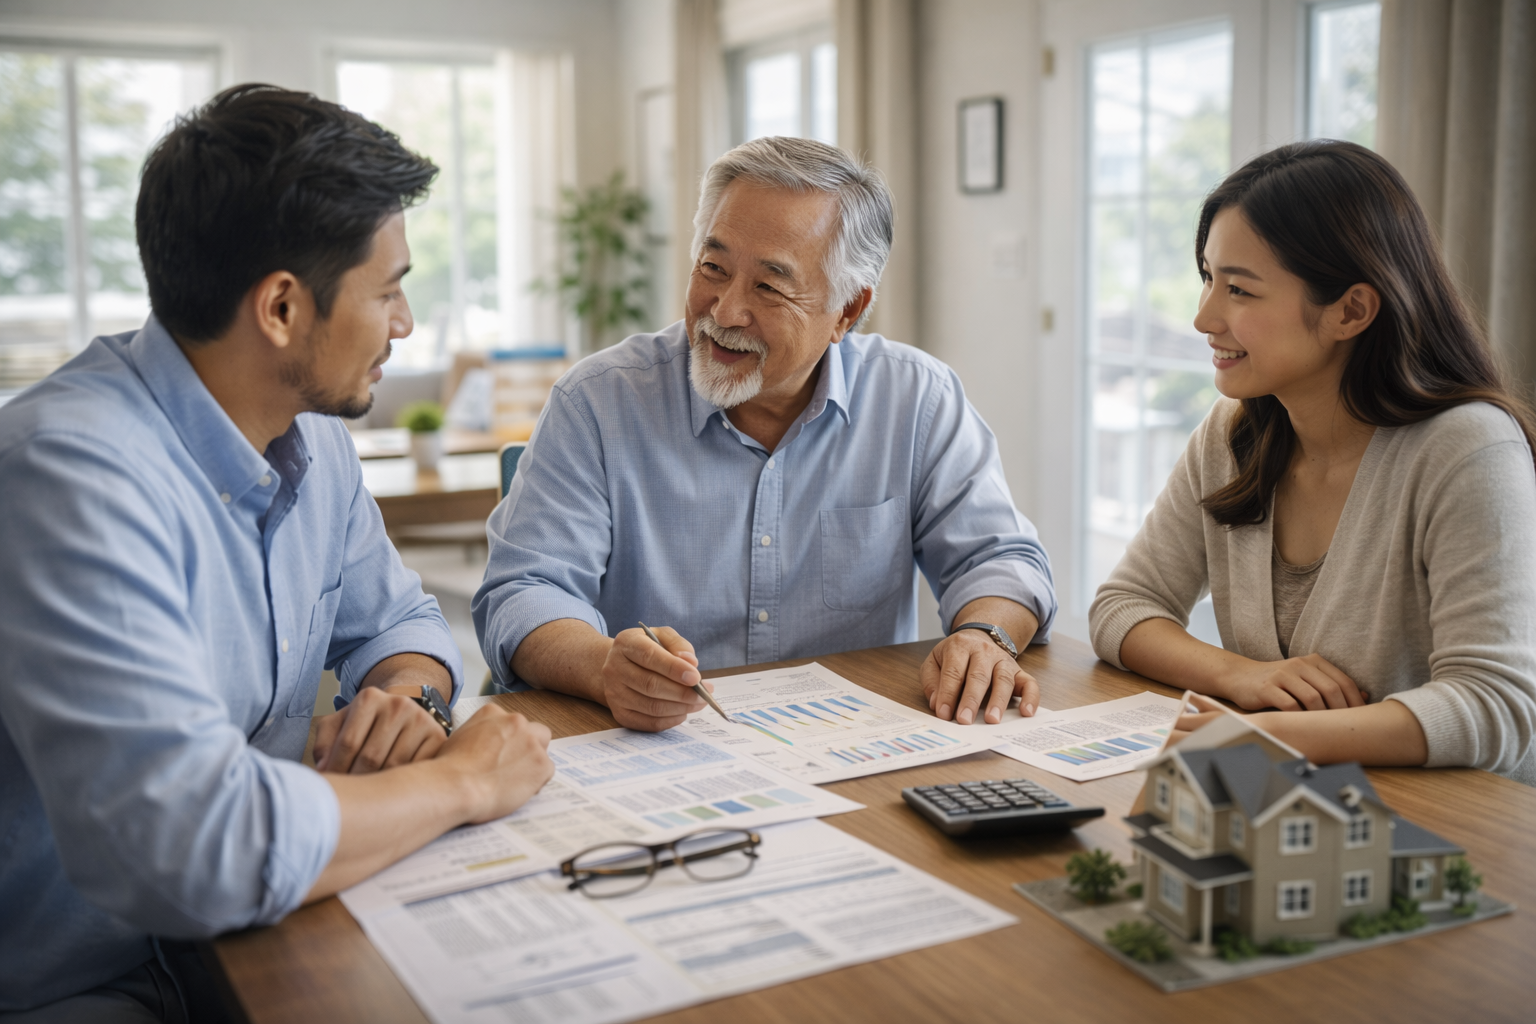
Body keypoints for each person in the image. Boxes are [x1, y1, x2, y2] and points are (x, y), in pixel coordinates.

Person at [0, 85, 554, 1021]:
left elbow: (404, 623)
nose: (406, 323)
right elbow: (194, 848)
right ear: (283, 309)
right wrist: (460, 780)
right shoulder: (70, 480)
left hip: (269, 936)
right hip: (89, 987)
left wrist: (404, 701)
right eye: (388, 290)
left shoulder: (311, 436)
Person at [474, 136, 1056, 732]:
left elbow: (1000, 557)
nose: (724, 312)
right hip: (659, 751)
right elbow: (523, 592)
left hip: (851, 745)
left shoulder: (917, 399)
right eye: (713, 268)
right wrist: (603, 667)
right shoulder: (598, 402)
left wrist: (986, 636)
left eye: (769, 287)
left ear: (848, 311)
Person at [1089, 139, 1536, 783]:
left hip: (1449, 839)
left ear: (1350, 311)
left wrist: (1269, 733)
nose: (1203, 317)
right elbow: (1123, 607)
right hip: (1292, 809)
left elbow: (1496, 706)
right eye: (1209, 278)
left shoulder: (1466, 447)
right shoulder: (1232, 433)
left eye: (1239, 290)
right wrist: (1244, 677)